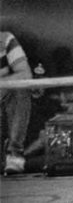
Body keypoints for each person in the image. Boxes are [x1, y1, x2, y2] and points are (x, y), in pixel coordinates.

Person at [1, 31, 33, 175]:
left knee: (20, 89)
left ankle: (14, 155)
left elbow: (25, 74)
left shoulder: (5, 39)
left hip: (3, 96)